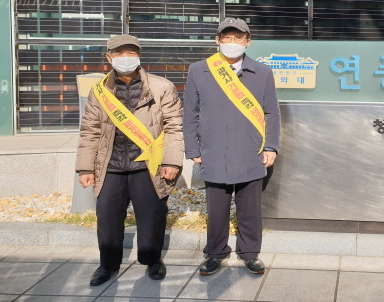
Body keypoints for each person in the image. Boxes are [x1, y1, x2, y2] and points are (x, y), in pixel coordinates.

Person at [76, 35, 183, 286]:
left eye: (131, 53)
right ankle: (107, 264)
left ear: (139, 55)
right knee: (107, 217)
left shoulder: (161, 87)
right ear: (109, 57)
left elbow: (174, 127)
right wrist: (85, 167)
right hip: (110, 165)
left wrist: (172, 161)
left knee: (152, 215)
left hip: (147, 164)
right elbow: (90, 130)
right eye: (119, 53)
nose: (126, 58)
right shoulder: (99, 91)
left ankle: (152, 259)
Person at [183, 17, 280, 276]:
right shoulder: (199, 70)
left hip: (251, 150)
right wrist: (193, 148)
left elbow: (271, 112)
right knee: (216, 210)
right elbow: (190, 112)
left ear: (248, 42)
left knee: (250, 209)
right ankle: (215, 253)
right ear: (217, 40)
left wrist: (271, 146)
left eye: (238, 38)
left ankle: (250, 253)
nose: (232, 42)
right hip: (213, 151)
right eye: (227, 37)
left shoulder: (262, 72)